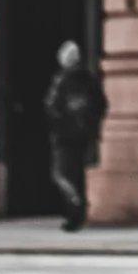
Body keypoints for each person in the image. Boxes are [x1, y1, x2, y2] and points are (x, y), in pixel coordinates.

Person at [45, 39, 105, 233]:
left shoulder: (61, 80)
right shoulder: (89, 79)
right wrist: (90, 125)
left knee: (60, 173)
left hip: (64, 135)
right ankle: (77, 213)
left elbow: (52, 105)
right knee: (77, 173)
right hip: (83, 134)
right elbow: (101, 104)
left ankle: (75, 204)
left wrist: (59, 123)